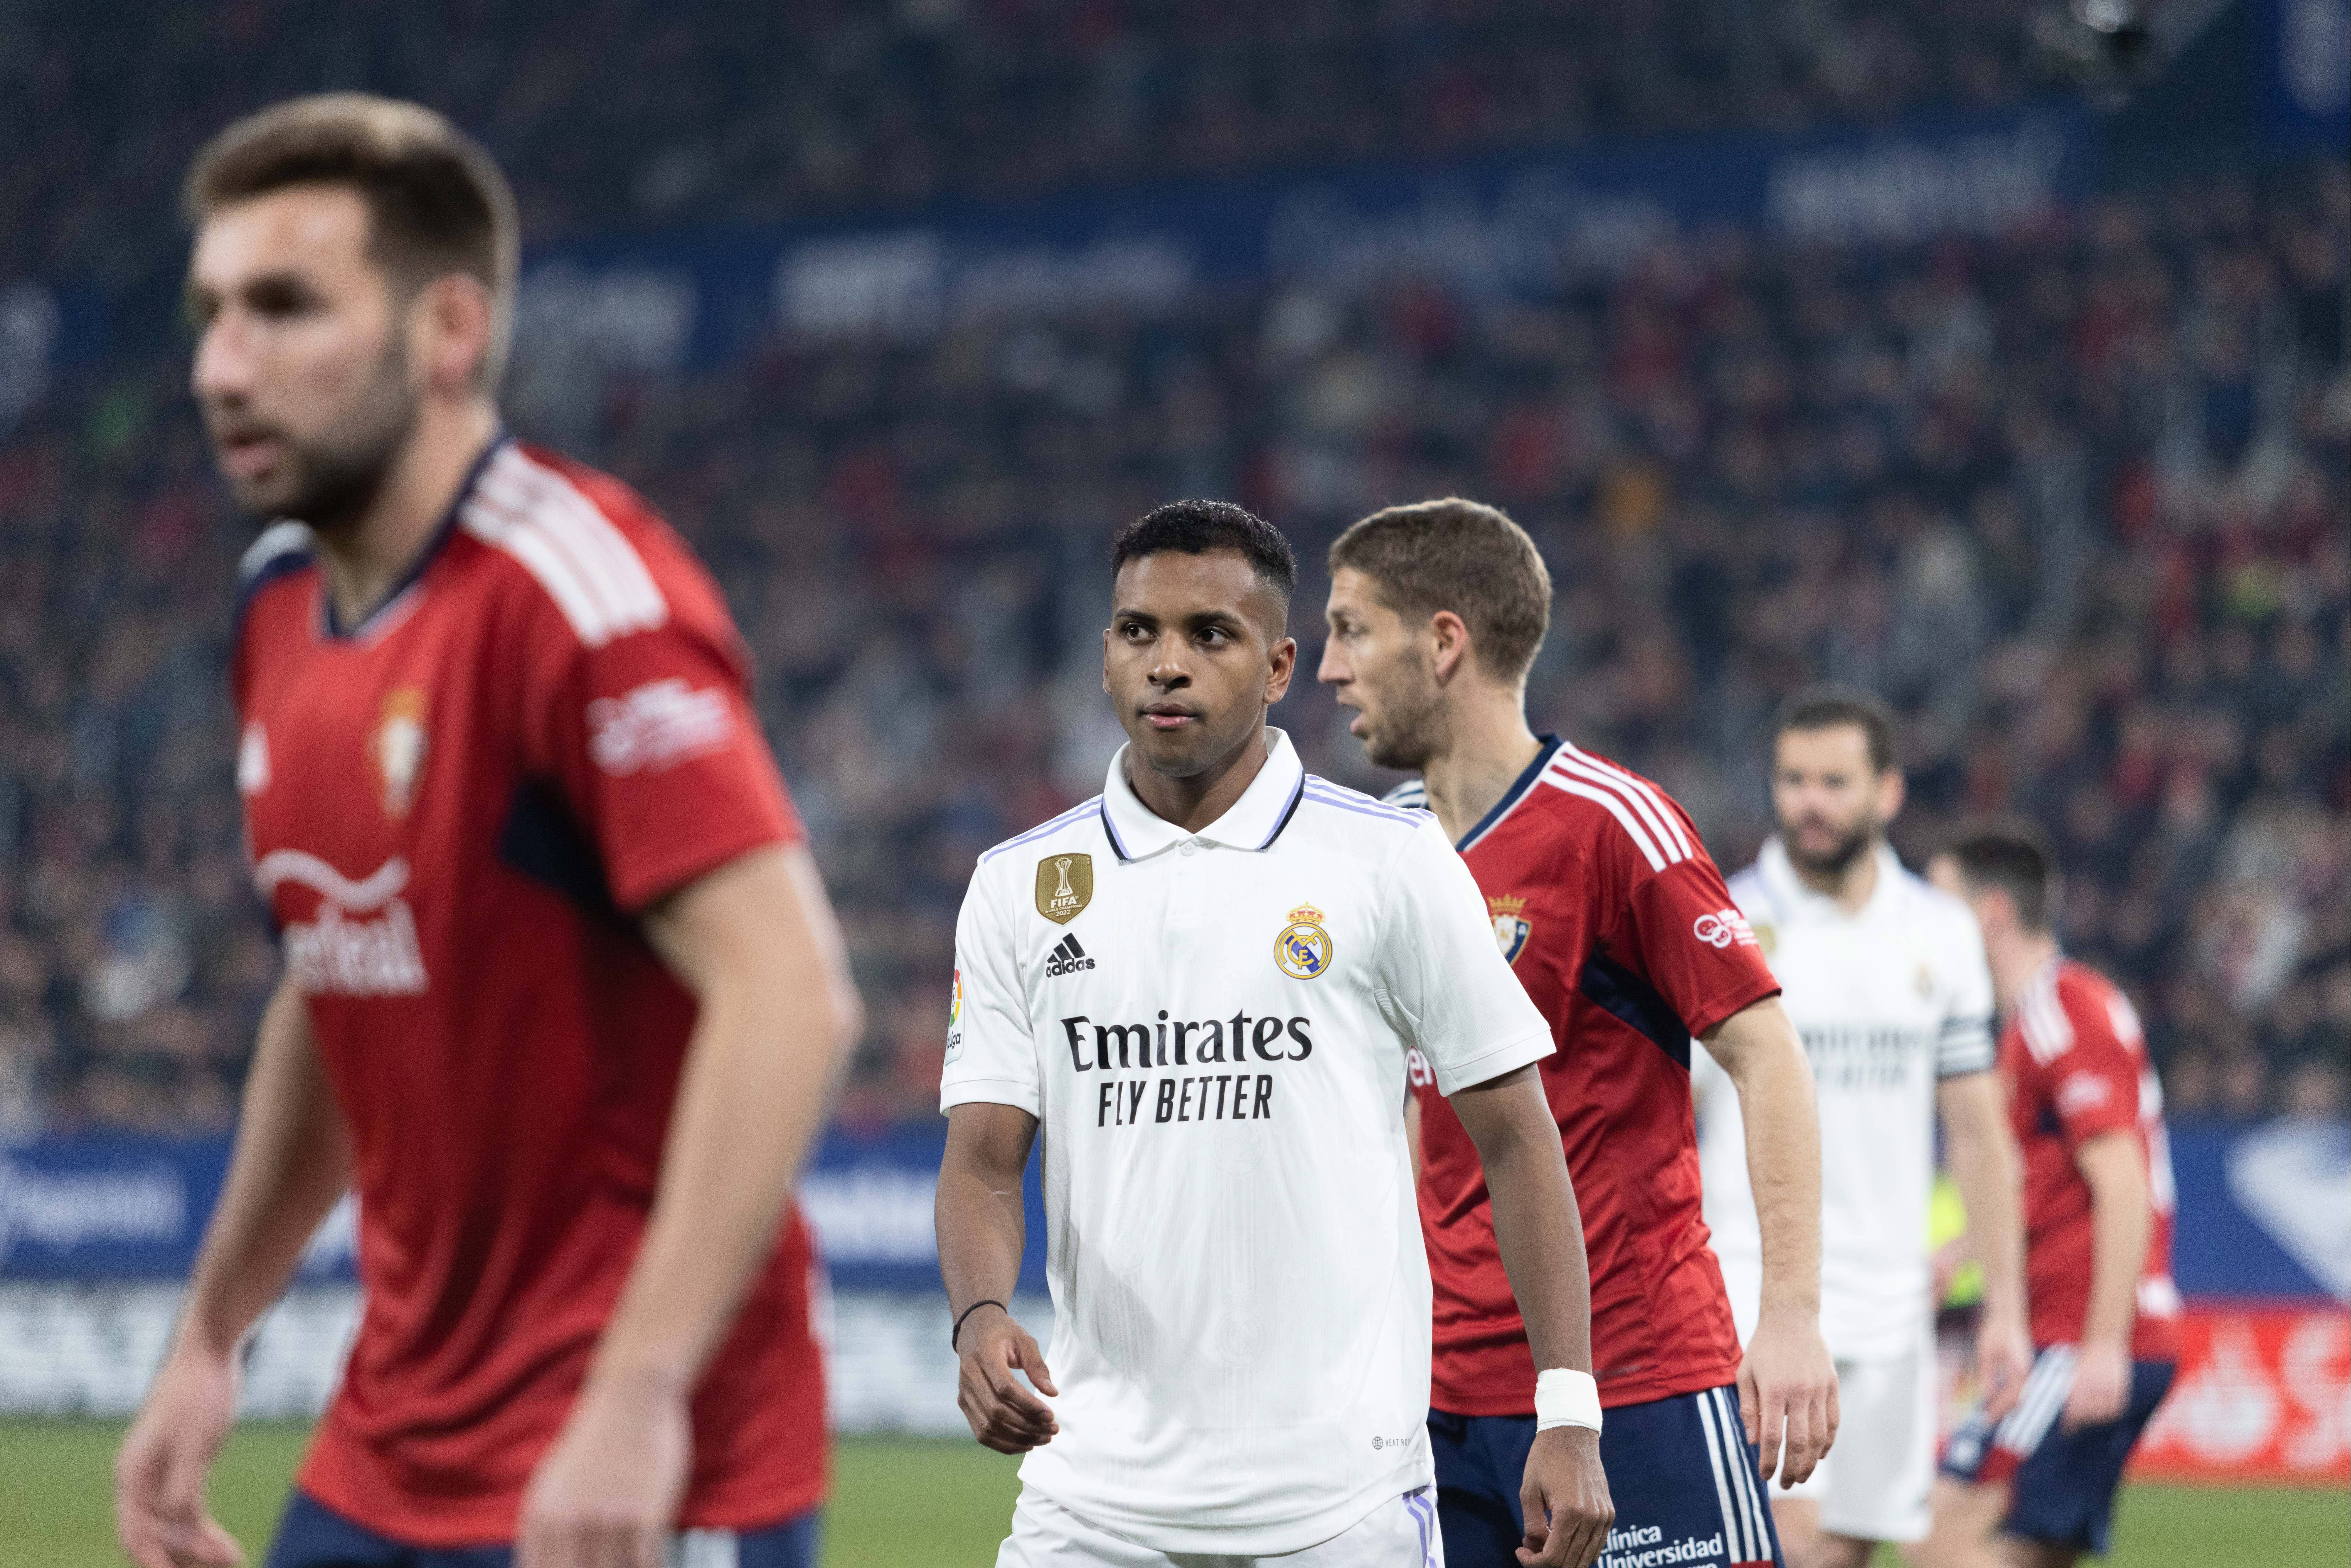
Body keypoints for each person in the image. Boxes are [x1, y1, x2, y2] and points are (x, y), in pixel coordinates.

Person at [112, 96, 860, 1568]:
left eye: (282, 308)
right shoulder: (276, 605)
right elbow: (337, 971)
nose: (218, 366)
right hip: (395, 1437)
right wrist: (209, 1333)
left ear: (447, 330)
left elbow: (792, 991)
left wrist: (639, 1395)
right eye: (209, 314)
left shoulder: (575, 593)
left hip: (640, 1466)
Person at [936, 501, 1615, 1568]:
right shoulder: (1020, 886)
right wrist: (978, 1315)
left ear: (1278, 665)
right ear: (1105, 656)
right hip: (1092, 1500)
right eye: (1137, 632)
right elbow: (981, 1162)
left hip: (1338, 1504)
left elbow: (1519, 1139)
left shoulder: (1390, 863)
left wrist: (1567, 1408)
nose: (1167, 663)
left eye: (1209, 634)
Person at [1319, 497, 1838, 1568]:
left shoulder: (1608, 823)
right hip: (1442, 1406)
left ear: (1444, 642)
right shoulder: (1381, 854)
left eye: (1352, 629)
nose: (1328, 668)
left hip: (1636, 1380)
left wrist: (1788, 1312)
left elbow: (1766, 1054)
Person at [1690, 687, 2031, 1568]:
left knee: (1844, 1547)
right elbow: (1670, 1121)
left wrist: (2004, 1302)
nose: (1811, 800)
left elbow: (1978, 1132)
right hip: (1750, 1294)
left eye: (1834, 780)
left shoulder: (1941, 932)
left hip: (1894, 1306)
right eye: (1793, 779)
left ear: (1887, 792)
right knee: (1784, 1541)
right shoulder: (1721, 920)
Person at [1918, 822, 2180, 1568]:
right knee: (2029, 1551)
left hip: (2081, 1334)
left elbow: (2122, 1178)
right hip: (2083, 1329)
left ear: (1991, 913)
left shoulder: (2057, 1010)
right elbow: (2052, 1178)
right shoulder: (2040, 1017)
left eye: (1941, 906)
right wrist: (1967, 1246)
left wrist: (2101, 1341)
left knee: (1938, 1538)